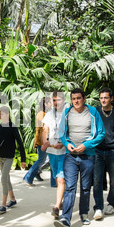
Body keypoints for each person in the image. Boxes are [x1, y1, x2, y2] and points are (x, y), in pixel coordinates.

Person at [54, 88, 105, 227]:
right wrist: (67, 144)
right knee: (70, 187)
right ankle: (65, 218)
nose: (76, 101)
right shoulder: (67, 113)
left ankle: (83, 213)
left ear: (84, 98)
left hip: (88, 156)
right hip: (70, 156)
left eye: (78, 98)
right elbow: (62, 133)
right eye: (74, 98)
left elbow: (101, 133)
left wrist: (86, 145)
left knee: (85, 187)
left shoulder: (93, 112)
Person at [93, 88, 114, 220]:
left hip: (113, 150)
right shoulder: (95, 112)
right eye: (101, 98)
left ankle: (111, 203)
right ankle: (98, 207)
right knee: (97, 180)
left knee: (113, 180)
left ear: (111, 98)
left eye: (106, 98)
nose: (103, 100)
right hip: (98, 150)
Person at [0, 106, 26, 214]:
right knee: (6, 178)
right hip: (0, 156)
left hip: (8, 157)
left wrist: (23, 159)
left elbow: (20, 143)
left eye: (4, 114)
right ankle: (12, 199)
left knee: (3, 179)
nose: (2, 116)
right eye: (1, 114)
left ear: (8, 115)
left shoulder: (13, 127)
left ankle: (3, 205)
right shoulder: (0, 126)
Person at [41, 91, 67, 219]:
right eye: (54, 100)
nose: (56, 103)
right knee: (58, 178)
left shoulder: (69, 113)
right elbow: (45, 129)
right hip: (52, 151)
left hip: (64, 152)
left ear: (64, 100)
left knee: (61, 178)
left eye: (59, 100)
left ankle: (56, 207)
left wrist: (63, 143)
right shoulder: (50, 114)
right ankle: (61, 200)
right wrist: (45, 141)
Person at [23, 97, 52, 186]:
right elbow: (40, 130)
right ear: (45, 104)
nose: (52, 104)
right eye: (50, 102)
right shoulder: (41, 114)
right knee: (41, 160)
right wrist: (42, 142)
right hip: (42, 141)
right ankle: (28, 177)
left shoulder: (44, 113)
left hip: (44, 141)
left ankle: (35, 174)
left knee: (43, 160)